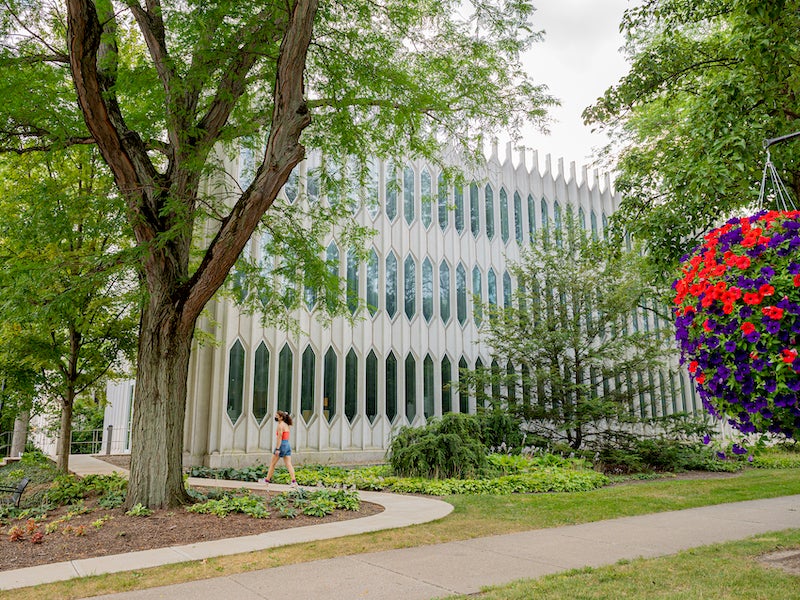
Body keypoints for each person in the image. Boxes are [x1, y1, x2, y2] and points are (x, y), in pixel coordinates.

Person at [264, 410, 297, 486]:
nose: (275, 417)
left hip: (281, 445)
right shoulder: (286, 425)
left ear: (281, 418)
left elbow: (279, 438)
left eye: (277, 416)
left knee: (273, 464)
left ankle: (267, 480)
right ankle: (294, 481)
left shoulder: (280, 426)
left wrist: (278, 449)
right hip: (287, 444)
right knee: (289, 464)